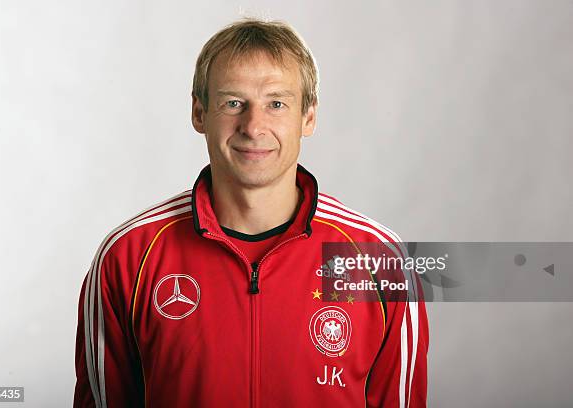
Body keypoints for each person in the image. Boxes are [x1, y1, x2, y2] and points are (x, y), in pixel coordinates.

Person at [74, 17, 428, 408]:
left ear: (308, 117)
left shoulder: (379, 259)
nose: (253, 126)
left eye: (276, 103)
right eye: (233, 103)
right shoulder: (127, 257)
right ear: (199, 113)